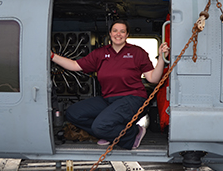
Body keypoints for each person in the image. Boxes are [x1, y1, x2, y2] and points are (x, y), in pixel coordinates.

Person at [51, 20, 170, 150]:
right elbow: (74, 65)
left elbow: (153, 78)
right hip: (108, 99)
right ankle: (109, 133)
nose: (118, 34)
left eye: (122, 31)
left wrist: (161, 59)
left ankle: (133, 133)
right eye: (115, 31)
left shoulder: (137, 52)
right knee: (73, 113)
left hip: (132, 98)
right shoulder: (100, 53)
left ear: (127, 34)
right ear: (110, 33)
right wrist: (52, 56)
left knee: (100, 126)